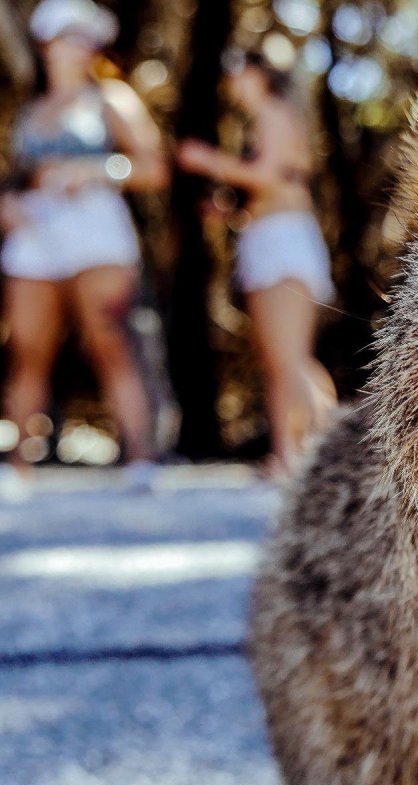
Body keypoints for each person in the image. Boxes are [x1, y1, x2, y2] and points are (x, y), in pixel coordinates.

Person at [0, 0, 168, 489]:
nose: (83, 47)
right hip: (36, 235)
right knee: (28, 348)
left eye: (88, 38)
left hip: (96, 231)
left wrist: (97, 169)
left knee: (109, 339)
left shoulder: (112, 99)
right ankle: (17, 467)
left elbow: (154, 168)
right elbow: (18, 180)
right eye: (71, 36)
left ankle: (139, 458)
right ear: (47, 44)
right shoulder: (30, 111)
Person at [177, 50, 335, 479]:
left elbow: (268, 177)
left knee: (289, 357)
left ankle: (328, 456)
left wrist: (206, 160)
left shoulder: (276, 113)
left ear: (260, 74)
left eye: (236, 71)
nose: (230, 81)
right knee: (280, 359)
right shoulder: (264, 120)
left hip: (284, 241)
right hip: (267, 238)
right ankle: (289, 456)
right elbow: (271, 186)